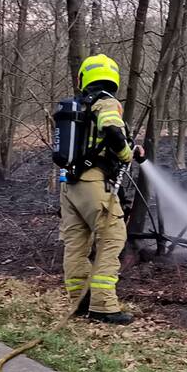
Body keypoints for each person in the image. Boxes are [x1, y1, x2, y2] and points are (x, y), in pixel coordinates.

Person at [61, 54, 143, 325]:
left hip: (69, 185)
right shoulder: (107, 102)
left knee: (76, 244)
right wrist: (127, 155)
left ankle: (79, 302)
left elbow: (96, 140)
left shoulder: (78, 107)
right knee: (112, 237)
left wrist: (129, 148)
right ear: (113, 78)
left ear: (84, 78)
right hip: (94, 183)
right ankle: (103, 305)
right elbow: (111, 131)